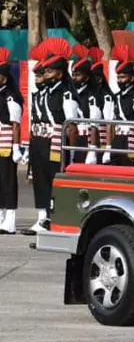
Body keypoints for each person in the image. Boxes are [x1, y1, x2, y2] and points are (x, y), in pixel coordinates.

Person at [25, 38, 81, 234]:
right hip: (40, 141)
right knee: (40, 180)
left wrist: (71, 154)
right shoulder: (43, 93)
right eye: (45, 71)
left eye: (49, 71)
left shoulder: (65, 94)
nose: (45, 74)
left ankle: (54, 218)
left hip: (56, 142)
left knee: (54, 180)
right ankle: (42, 218)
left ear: (60, 72)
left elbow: (71, 127)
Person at [107, 45, 134, 167]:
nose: (119, 80)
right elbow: (112, 123)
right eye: (118, 77)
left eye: (123, 77)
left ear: (132, 78)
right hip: (118, 138)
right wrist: (108, 147)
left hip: (131, 139)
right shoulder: (116, 96)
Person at [0, 48, 22, 234]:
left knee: (8, 182)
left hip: (6, 143)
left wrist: (16, 147)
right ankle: (0, 216)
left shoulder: (11, 96)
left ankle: (10, 220)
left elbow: (15, 123)